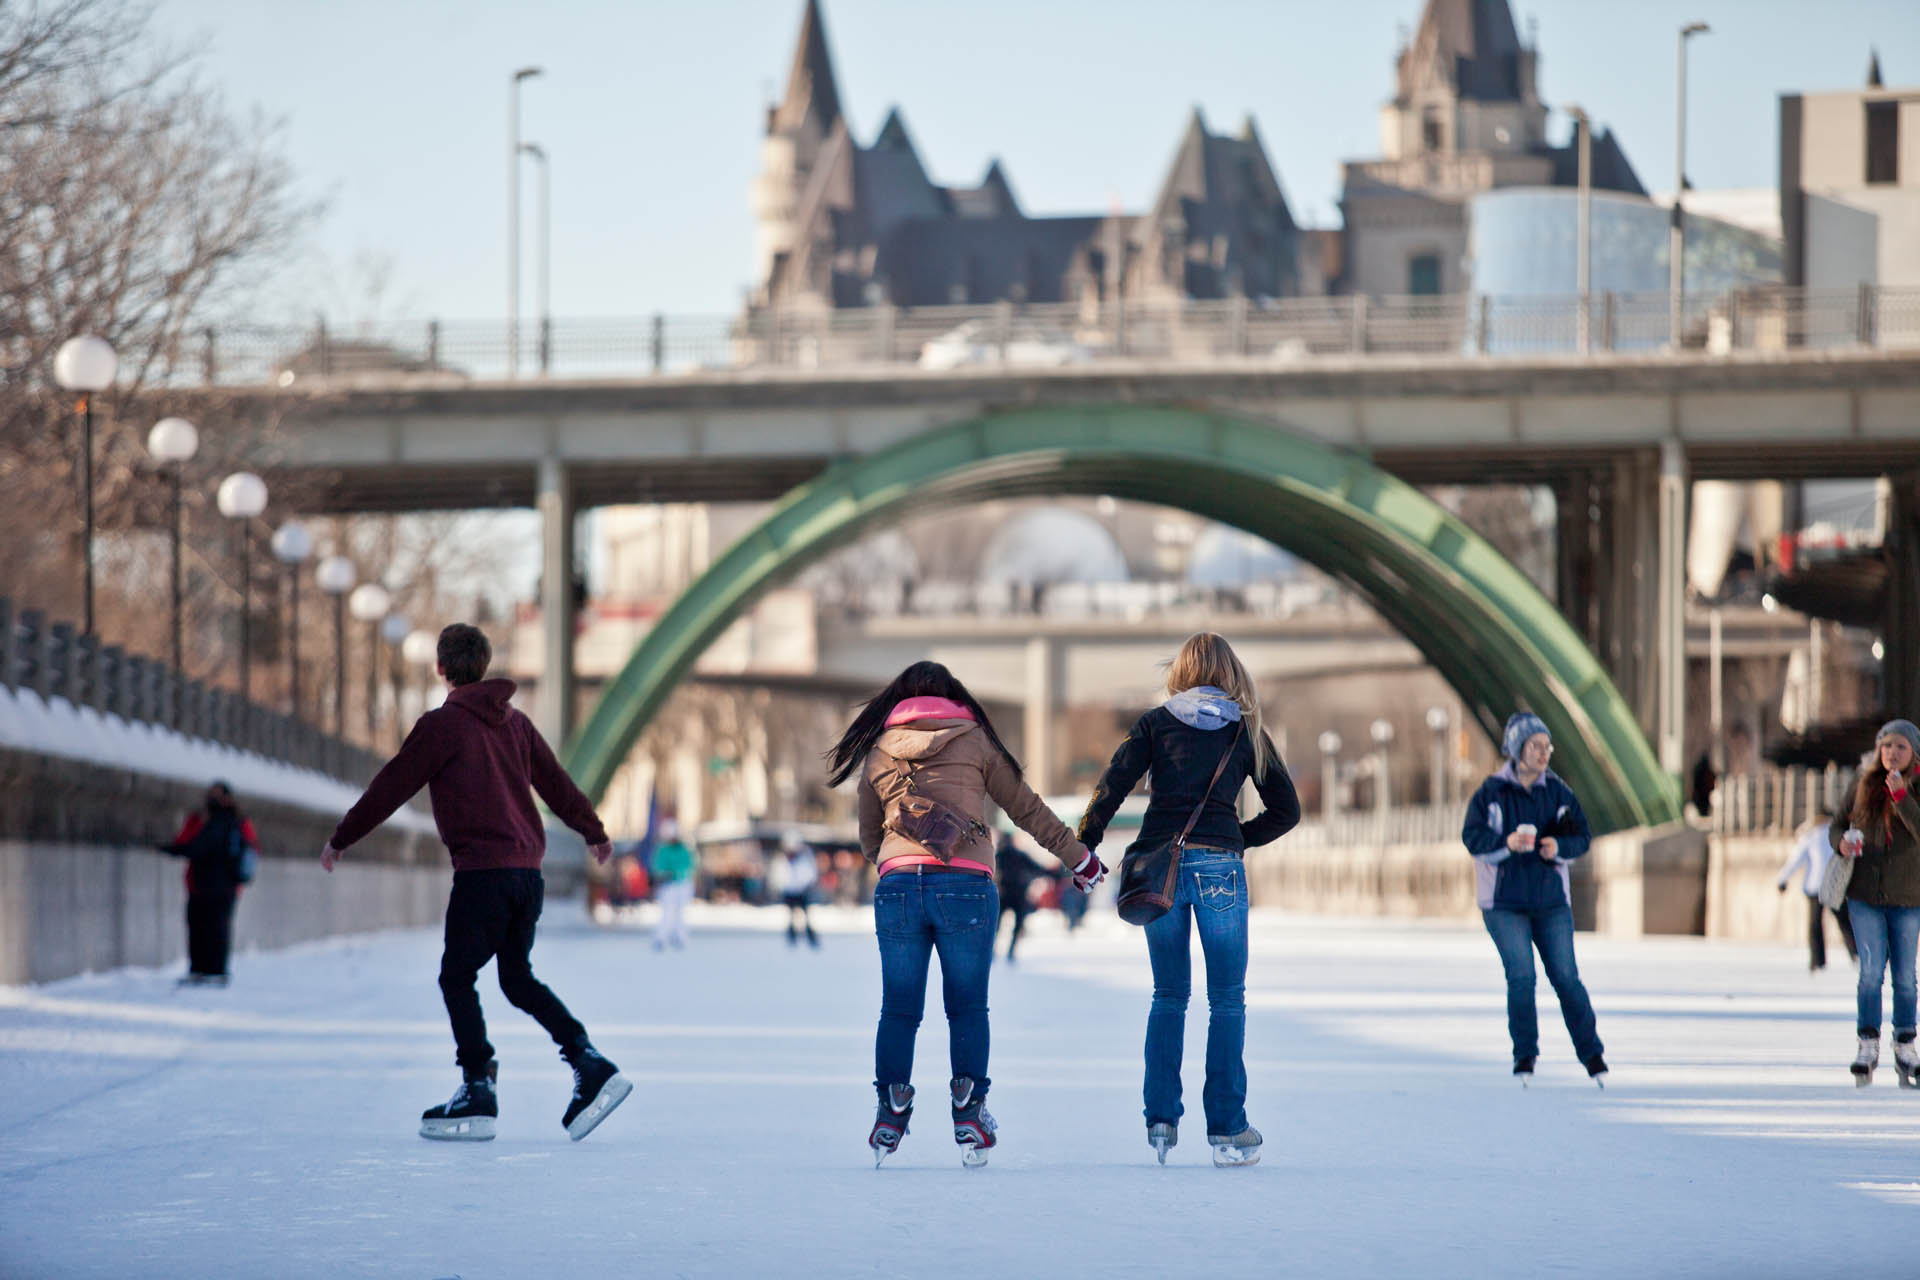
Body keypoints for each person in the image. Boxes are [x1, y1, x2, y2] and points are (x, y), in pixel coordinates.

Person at [317, 623, 631, 1143]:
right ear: (483, 665)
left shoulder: (443, 726)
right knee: (517, 979)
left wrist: (342, 838)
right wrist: (593, 833)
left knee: (456, 977)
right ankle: (588, 1061)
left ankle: (477, 1085)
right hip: (527, 876)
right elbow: (557, 784)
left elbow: (391, 785)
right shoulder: (517, 724)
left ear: (441, 668)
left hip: (482, 874)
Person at [827, 660, 1103, 1167]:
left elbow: (869, 834)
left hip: (899, 889)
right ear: (955, 697)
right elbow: (1026, 808)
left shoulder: (879, 752)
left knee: (899, 1008)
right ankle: (969, 1109)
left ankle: (891, 1106)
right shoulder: (975, 740)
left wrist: (894, 861)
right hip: (967, 887)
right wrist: (1078, 857)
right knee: (968, 1007)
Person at [1078, 632, 1301, 1168]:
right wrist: (1235, 838)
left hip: (1162, 872)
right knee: (1227, 999)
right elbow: (1287, 810)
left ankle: (1161, 1119)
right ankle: (1226, 1128)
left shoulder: (1154, 724)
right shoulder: (1246, 730)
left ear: (1179, 671)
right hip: (1220, 868)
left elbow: (1111, 786)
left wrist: (1083, 843)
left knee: (1169, 995)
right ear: (1229, 671)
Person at [1463, 712, 1607, 1086]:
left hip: (1549, 903)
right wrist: (1505, 844)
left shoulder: (1558, 793)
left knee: (1566, 977)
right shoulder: (1491, 793)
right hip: (1503, 903)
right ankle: (1525, 1056)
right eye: (1535, 746)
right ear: (1517, 749)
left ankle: (1592, 1054)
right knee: (1522, 976)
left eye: (1547, 746)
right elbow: (1472, 838)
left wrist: (1558, 847)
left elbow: (1582, 836)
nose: (1543, 754)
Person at [1828, 719, 1920, 1088]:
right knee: (1869, 972)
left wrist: (1902, 798)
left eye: (1900, 747)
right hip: (1864, 894)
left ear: (1913, 752)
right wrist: (1842, 842)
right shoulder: (1862, 783)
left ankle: (1905, 1044)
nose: (1892, 754)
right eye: (1886, 747)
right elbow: (1835, 825)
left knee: (1905, 977)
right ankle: (1867, 1043)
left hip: (1908, 896)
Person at [159, 780, 260, 986]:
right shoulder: (210, 820)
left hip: (215, 886)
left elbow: (194, 847)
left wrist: (172, 849)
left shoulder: (224, 822)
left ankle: (212, 970)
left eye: (217, 795)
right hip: (209, 886)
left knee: (212, 928)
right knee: (206, 927)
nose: (212, 799)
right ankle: (205, 969)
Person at [1777, 809, 1856, 971]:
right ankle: (1857, 954)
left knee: (1815, 925)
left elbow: (1795, 860)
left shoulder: (1810, 837)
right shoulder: (1840, 836)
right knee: (1845, 923)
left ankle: (1817, 960)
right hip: (1835, 886)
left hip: (1815, 887)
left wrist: (1783, 879)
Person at [994, 832, 1049, 962]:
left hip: (1002, 894)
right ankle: (1011, 952)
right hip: (1019, 894)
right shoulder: (1020, 855)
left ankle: (993, 951)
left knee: (997, 925)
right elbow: (1037, 868)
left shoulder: (998, 856)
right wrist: (1053, 873)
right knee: (1017, 925)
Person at [651, 819, 697, 951]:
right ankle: (661, 937)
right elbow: (657, 866)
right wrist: (664, 874)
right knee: (667, 912)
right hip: (668, 886)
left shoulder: (684, 849)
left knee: (680, 912)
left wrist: (677, 872)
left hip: (683, 884)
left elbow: (689, 865)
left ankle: (679, 936)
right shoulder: (663, 849)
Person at [771, 831, 820, 948]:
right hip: (789, 892)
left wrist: (804, 885)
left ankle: (811, 938)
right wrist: (782, 886)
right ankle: (792, 938)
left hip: (802, 891)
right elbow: (778, 875)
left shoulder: (805, 858)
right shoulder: (782, 859)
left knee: (806, 916)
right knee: (791, 916)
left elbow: (810, 873)